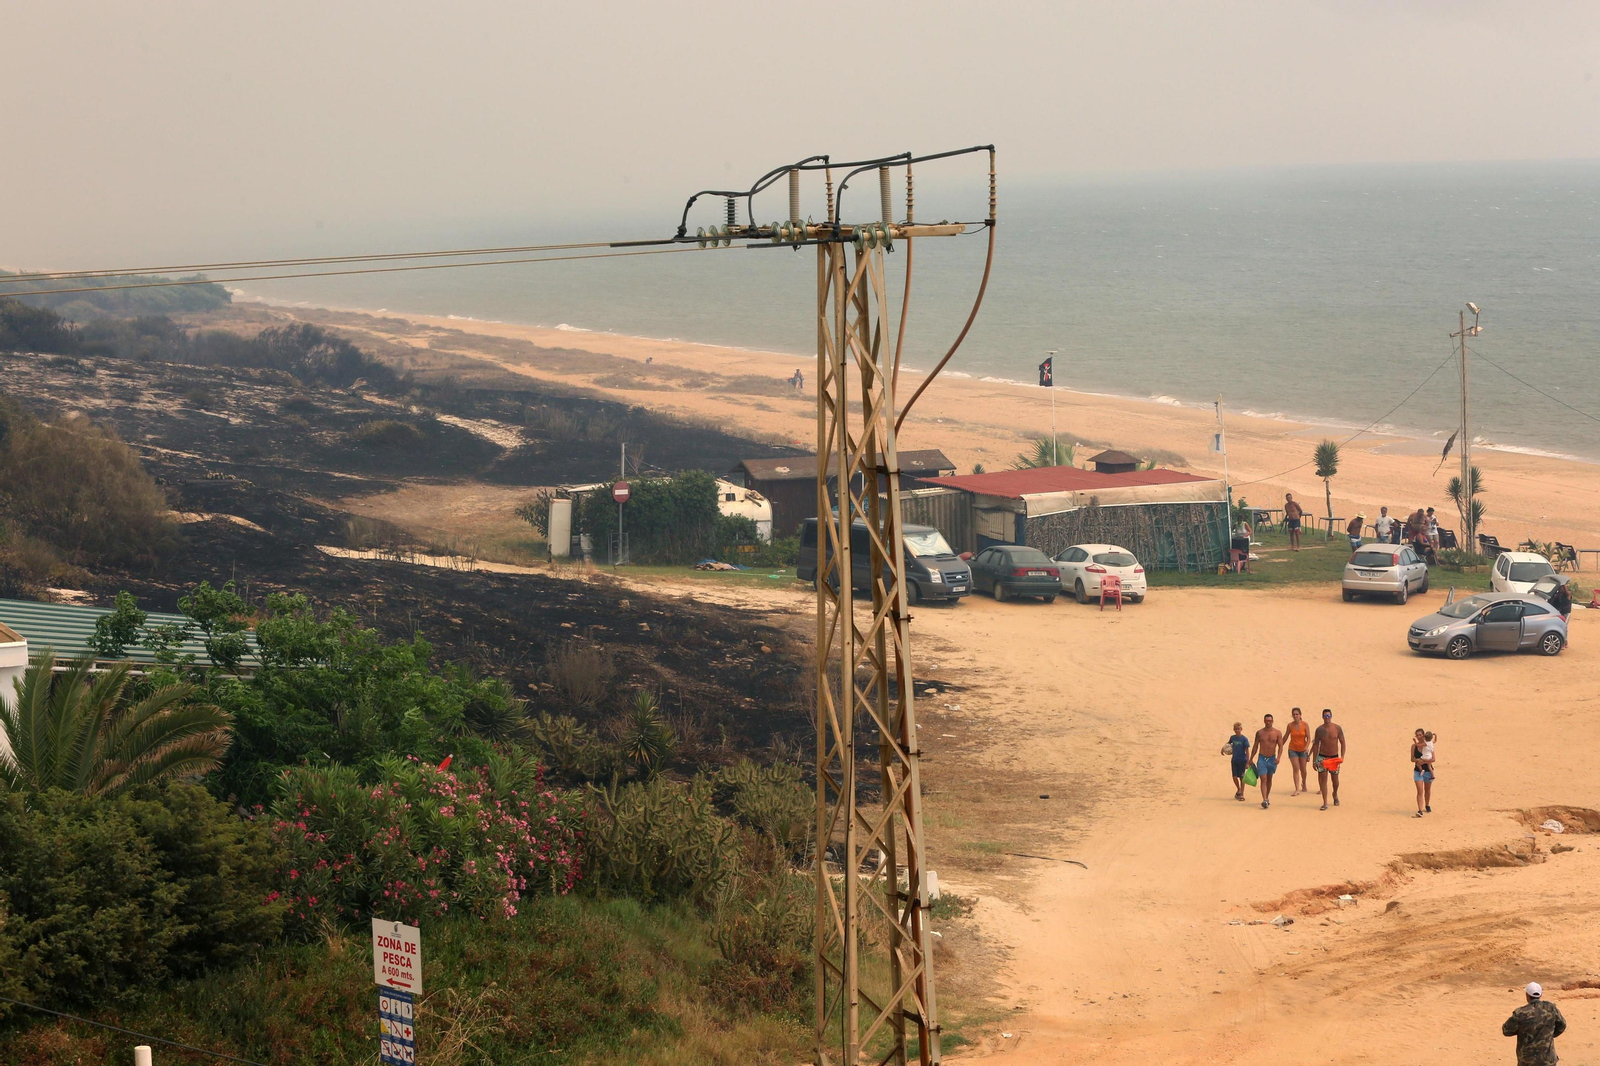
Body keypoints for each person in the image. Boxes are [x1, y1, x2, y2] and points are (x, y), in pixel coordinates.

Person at [1502, 982, 1566, 1066]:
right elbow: (1562, 1025)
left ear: (1527, 995)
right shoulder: (1551, 1008)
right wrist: (1548, 1035)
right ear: (1540, 994)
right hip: (1548, 1061)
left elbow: (1506, 1031)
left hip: (1527, 1062)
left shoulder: (1521, 1013)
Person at [1312, 708, 1347, 811]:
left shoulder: (1337, 728)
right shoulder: (1319, 730)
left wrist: (1342, 756)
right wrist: (1314, 760)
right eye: (1325, 716)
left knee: (1335, 781)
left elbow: (1343, 742)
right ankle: (1325, 802)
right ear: (1322, 717)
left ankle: (1335, 794)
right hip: (1322, 757)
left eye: (1328, 716)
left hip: (1334, 758)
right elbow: (1316, 745)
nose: (1327, 718)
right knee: (1323, 780)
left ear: (1331, 716)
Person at [1248, 712, 1284, 809]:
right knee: (1263, 779)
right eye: (1267, 721)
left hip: (1272, 759)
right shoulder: (1260, 733)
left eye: (1270, 721)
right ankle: (1264, 799)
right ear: (1264, 721)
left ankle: (1267, 797)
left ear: (1273, 721)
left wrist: (1278, 757)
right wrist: (1250, 759)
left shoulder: (1277, 733)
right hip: (1262, 758)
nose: (1268, 722)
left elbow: (1281, 746)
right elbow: (1255, 746)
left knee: (1269, 779)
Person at [1285, 707, 1311, 796]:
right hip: (1292, 749)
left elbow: (1309, 738)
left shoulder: (1305, 725)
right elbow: (1285, 736)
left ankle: (1304, 782)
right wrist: (1279, 745)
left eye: (1297, 714)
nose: (1295, 716)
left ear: (1300, 715)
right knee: (1296, 768)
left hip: (1303, 750)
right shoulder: (1290, 725)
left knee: (1303, 769)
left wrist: (1307, 747)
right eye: (1294, 714)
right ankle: (1297, 789)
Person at [1222, 721, 1250, 801]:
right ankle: (1239, 789)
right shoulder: (1232, 738)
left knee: (1242, 777)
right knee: (1234, 777)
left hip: (1242, 760)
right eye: (1236, 729)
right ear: (1234, 729)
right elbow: (1228, 744)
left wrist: (1248, 762)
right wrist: (1223, 749)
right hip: (1234, 760)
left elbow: (1247, 751)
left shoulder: (1244, 739)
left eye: (1238, 729)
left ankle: (1242, 794)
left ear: (1241, 729)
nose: (1237, 730)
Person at [1411, 728, 1436, 817]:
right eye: (1417, 735)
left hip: (1428, 771)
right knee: (1420, 790)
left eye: (1420, 735)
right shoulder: (1414, 746)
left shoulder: (1429, 744)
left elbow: (1434, 759)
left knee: (1427, 790)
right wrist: (1418, 760)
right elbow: (1412, 759)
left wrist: (1424, 761)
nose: (1418, 737)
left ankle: (1427, 805)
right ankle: (1420, 810)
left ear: (1423, 735)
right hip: (1418, 771)